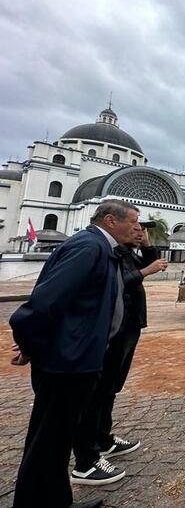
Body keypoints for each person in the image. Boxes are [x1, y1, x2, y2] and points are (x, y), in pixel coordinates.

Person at [9, 199, 140, 508]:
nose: (137, 227)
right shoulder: (89, 247)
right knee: (48, 441)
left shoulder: (101, 248)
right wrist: (30, 344)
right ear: (110, 220)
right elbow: (45, 303)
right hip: (66, 362)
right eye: (132, 221)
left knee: (56, 440)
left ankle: (54, 501)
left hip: (79, 358)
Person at [72, 221, 168, 485]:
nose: (138, 231)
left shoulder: (125, 252)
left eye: (141, 228)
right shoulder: (103, 250)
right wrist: (146, 271)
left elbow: (145, 264)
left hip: (129, 326)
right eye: (134, 226)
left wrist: (147, 244)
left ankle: (104, 438)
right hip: (113, 330)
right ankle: (87, 458)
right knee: (97, 391)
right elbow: (117, 282)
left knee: (110, 388)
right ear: (112, 223)